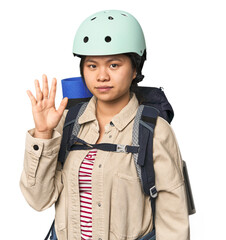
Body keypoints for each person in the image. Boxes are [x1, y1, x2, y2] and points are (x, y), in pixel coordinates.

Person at [20, 10, 190, 240]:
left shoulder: (154, 130)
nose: (101, 76)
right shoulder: (68, 124)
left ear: (135, 70)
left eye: (114, 65)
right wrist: (43, 133)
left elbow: (174, 218)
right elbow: (38, 200)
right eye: (92, 66)